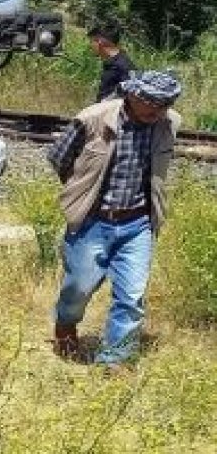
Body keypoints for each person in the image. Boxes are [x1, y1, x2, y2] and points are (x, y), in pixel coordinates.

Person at [47, 70, 181, 369]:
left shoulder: (168, 123)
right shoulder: (93, 118)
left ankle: (115, 360)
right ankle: (65, 325)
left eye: (164, 105)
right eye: (152, 104)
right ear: (133, 96)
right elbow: (58, 157)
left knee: (131, 297)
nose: (158, 111)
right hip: (92, 220)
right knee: (78, 288)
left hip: (138, 224)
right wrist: (78, 191)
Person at [89, 24, 136, 103]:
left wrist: (105, 103)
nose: (90, 46)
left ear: (100, 42)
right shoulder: (112, 62)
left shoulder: (123, 65)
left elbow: (130, 94)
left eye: (92, 41)